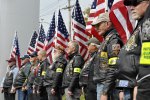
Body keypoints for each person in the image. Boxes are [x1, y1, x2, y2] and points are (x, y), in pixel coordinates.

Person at [116, 0, 150, 100]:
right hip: (130, 86)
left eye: (135, 3)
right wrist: (123, 88)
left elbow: (147, 63)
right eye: (130, 4)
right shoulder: (141, 23)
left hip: (141, 87)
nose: (131, 8)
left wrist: (141, 87)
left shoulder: (147, 23)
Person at [92, 12, 123, 100]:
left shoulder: (113, 39)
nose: (96, 28)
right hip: (103, 83)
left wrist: (105, 91)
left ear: (108, 24)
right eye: (95, 26)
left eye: (98, 25)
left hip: (107, 85)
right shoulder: (106, 39)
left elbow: (114, 66)